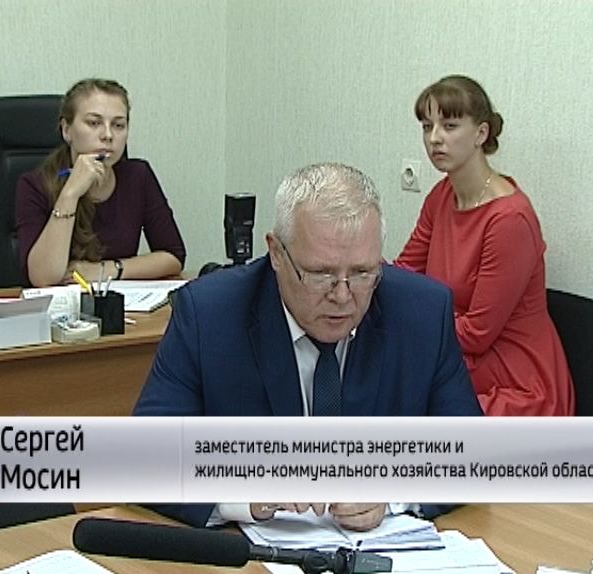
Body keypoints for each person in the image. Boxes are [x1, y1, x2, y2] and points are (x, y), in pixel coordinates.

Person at [134, 162, 482, 530]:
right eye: (320, 274)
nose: (343, 296)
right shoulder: (209, 314)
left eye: (362, 273)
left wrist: (393, 491)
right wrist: (244, 489)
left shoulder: (422, 313)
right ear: (276, 253)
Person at [394, 75, 574, 417]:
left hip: (515, 382)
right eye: (427, 126)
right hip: (458, 359)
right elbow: (404, 274)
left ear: (481, 134)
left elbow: (478, 334)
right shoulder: (441, 195)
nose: (434, 139)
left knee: (405, 408)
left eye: (449, 126)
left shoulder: (509, 220)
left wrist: (412, 323)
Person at [15, 78, 186, 287]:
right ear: (66, 130)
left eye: (118, 125)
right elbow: (43, 278)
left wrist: (106, 270)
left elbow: (173, 256)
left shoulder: (138, 176)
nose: (108, 135)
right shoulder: (34, 185)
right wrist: (70, 194)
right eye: (94, 123)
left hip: (121, 302)